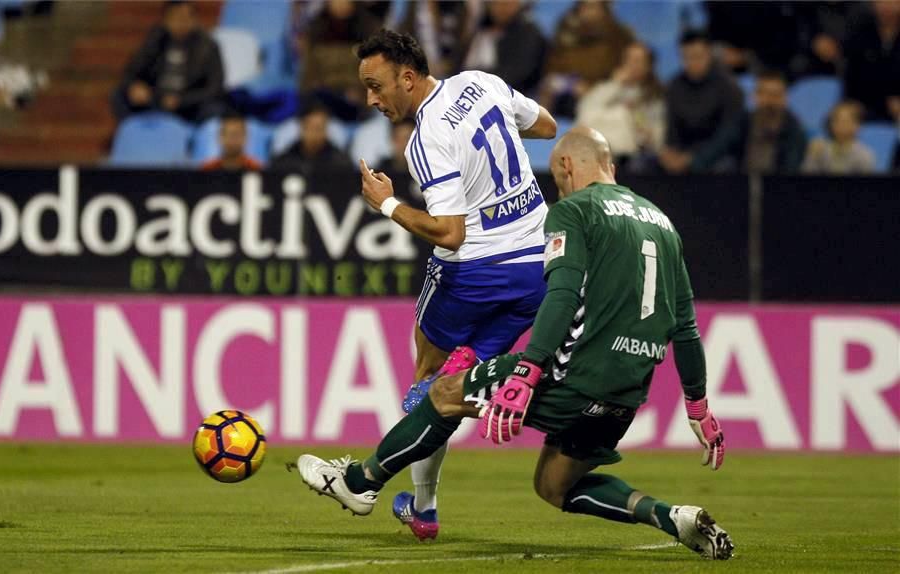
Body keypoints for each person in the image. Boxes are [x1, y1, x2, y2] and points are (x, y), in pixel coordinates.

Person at [295, 127, 734, 561]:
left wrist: (527, 370)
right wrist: (697, 405)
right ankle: (671, 516)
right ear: (611, 167)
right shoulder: (663, 224)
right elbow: (686, 327)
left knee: (445, 392)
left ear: (564, 166)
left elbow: (561, 296)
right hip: (626, 393)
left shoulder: (574, 211)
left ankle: (360, 482)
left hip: (569, 375)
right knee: (554, 486)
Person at [351, 29, 557, 540]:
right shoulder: (482, 82)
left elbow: (450, 231)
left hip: (476, 271)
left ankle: (419, 504)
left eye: (376, 86)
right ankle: (423, 506)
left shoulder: (426, 140)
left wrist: (387, 204)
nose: (371, 99)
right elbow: (548, 127)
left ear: (407, 76)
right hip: (538, 267)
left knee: (428, 377)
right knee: (453, 382)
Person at [111, 1, 225, 123]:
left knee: (214, 109)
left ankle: (194, 140)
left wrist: (182, 100)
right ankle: (134, 135)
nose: (181, 23)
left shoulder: (208, 46)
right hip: (156, 99)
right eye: (176, 18)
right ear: (165, 20)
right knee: (120, 96)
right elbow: (131, 72)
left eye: (186, 17)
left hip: (189, 104)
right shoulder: (154, 40)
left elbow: (214, 87)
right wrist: (135, 86)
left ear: (195, 20)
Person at [686, 70, 807, 174]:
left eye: (776, 95)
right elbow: (716, 149)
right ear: (755, 96)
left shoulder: (794, 130)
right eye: (765, 94)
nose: (770, 101)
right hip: (742, 186)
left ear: (785, 99)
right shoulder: (742, 122)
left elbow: (790, 171)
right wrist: (690, 164)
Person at [659, 30, 744, 174]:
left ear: (709, 54)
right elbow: (672, 128)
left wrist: (695, 159)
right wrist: (670, 152)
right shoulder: (674, 86)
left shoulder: (729, 87)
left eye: (697, 57)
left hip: (717, 156)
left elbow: (728, 135)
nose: (692, 62)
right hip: (682, 154)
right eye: (686, 57)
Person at [576, 41, 664, 171]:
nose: (633, 65)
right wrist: (615, 84)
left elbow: (660, 136)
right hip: (602, 153)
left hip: (636, 157)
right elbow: (584, 114)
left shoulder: (655, 97)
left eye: (639, 60)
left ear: (648, 65)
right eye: (629, 59)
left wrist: (649, 134)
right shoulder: (608, 89)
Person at [461, 0, 548, 95]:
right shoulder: (481, 30)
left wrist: (481, 85)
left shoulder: (528, 33)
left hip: (513, 94)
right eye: (496, 4)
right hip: (472, 87)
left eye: (506, 4)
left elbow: (517, 73)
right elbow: (461, 63)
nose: (500, 9)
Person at [268, 102, 350, 173]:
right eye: (310, 128)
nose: (314, 134)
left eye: (319, 128)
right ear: (301, 128)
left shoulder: (340, 163)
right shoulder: (285, 162)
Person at [802, 100, 877, 174]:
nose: (840, 125)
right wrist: (812, 155)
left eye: (845, 121)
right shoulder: (820, 148)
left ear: (857, 125)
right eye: (836, 120)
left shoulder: (864, 155)